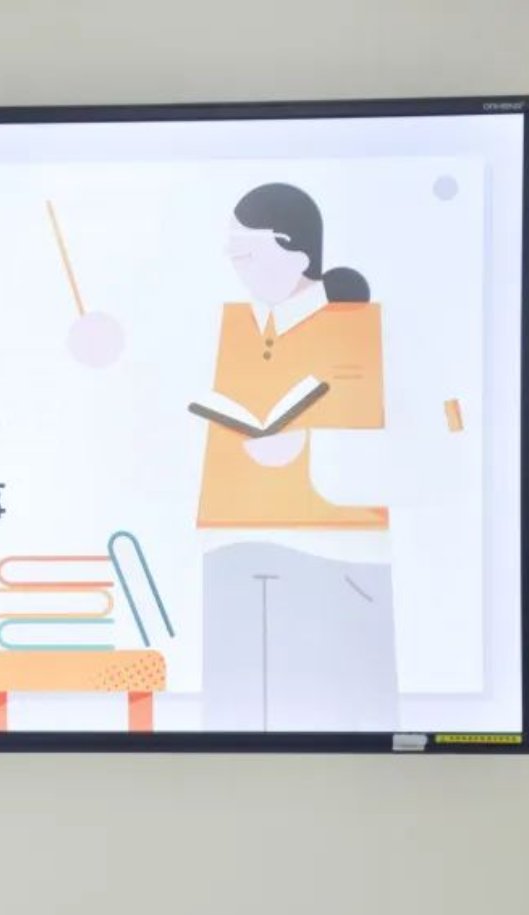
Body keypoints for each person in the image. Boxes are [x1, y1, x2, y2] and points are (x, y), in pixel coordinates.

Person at [193, 182, 398, 732]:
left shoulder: (358, 325)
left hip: (338, 549)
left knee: (349, 717)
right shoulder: (235, 325)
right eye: (233, 253)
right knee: (232, 723)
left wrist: (309, 447)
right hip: (231, 542)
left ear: (297, 254)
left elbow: (429, 441)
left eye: (247, 252)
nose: (237, 266)